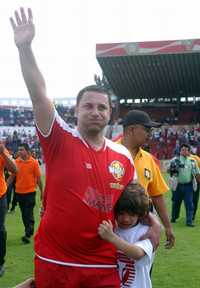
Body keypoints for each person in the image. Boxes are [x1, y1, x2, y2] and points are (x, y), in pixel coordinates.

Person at [10, 8, 161, 288]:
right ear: (76, 110)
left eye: (102, 107)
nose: (95, 111)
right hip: (55, 260)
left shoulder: (123, 157)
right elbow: (39, 95)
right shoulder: (59, 138)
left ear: (110, 114)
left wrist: (154, 222)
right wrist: (24, 48)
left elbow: (136, 202)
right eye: (88, 106)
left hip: (103, 262)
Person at [116, 110, 175, 248]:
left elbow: (157, 195)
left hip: (143, 228)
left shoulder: (149, 159)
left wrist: (168, 226)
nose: (150, 135)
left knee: (143, 268)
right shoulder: (108, 152)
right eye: (147, 129)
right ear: (132, 129)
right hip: (114, 227)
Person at [98, 183, 154, 288]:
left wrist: (111, 237)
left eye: (132, 214)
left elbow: (138, 253)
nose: (126, 219)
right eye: (121, 213)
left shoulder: (146, 232)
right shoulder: (113, 229)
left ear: (140, 213)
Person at [9, 143, 43, 244]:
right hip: (19, 192)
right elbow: (12, 177)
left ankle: (27, 233)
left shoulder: (34, 163)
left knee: (28, 212)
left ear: (27, 151)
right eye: (19, 149)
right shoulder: (16, 162)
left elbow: (39, 179)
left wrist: (42, 192)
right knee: (25, 213)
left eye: (21, 149)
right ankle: (29, 229)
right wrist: (5, 187)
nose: (19, 151)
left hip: (30, 192)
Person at [169, 143, 200, 226]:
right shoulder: (174, 160)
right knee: (176, 203)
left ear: (189, 151)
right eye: (182, 150)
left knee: (189, 203)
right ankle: (174, 217)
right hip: (177, 185)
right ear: (180, 151)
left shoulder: (193, 161)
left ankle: (189, 221)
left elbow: (197, 173)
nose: (184, 151)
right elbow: (170, 172)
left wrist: (198, 181)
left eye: (186, 150)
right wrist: (174, 168)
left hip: (188, 186)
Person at [0, 143, 17, 277]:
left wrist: (3, 153)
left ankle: (0, 262)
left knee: (0, 230)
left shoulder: (1, 150)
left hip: (0, 195)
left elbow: (14, 169)